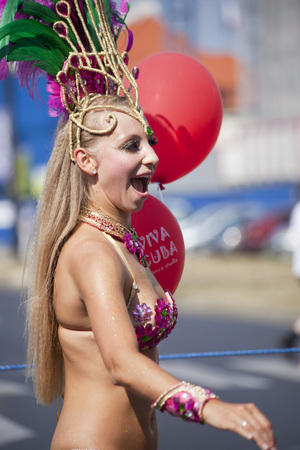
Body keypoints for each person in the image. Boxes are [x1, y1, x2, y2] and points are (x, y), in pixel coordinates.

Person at [0, 1, 276, 449]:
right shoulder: (89, 253)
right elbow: (122, 363)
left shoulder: (121, 242)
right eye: (132, 145)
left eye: (148, 139)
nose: (152, 155)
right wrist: (212, 407)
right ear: (86, 160)